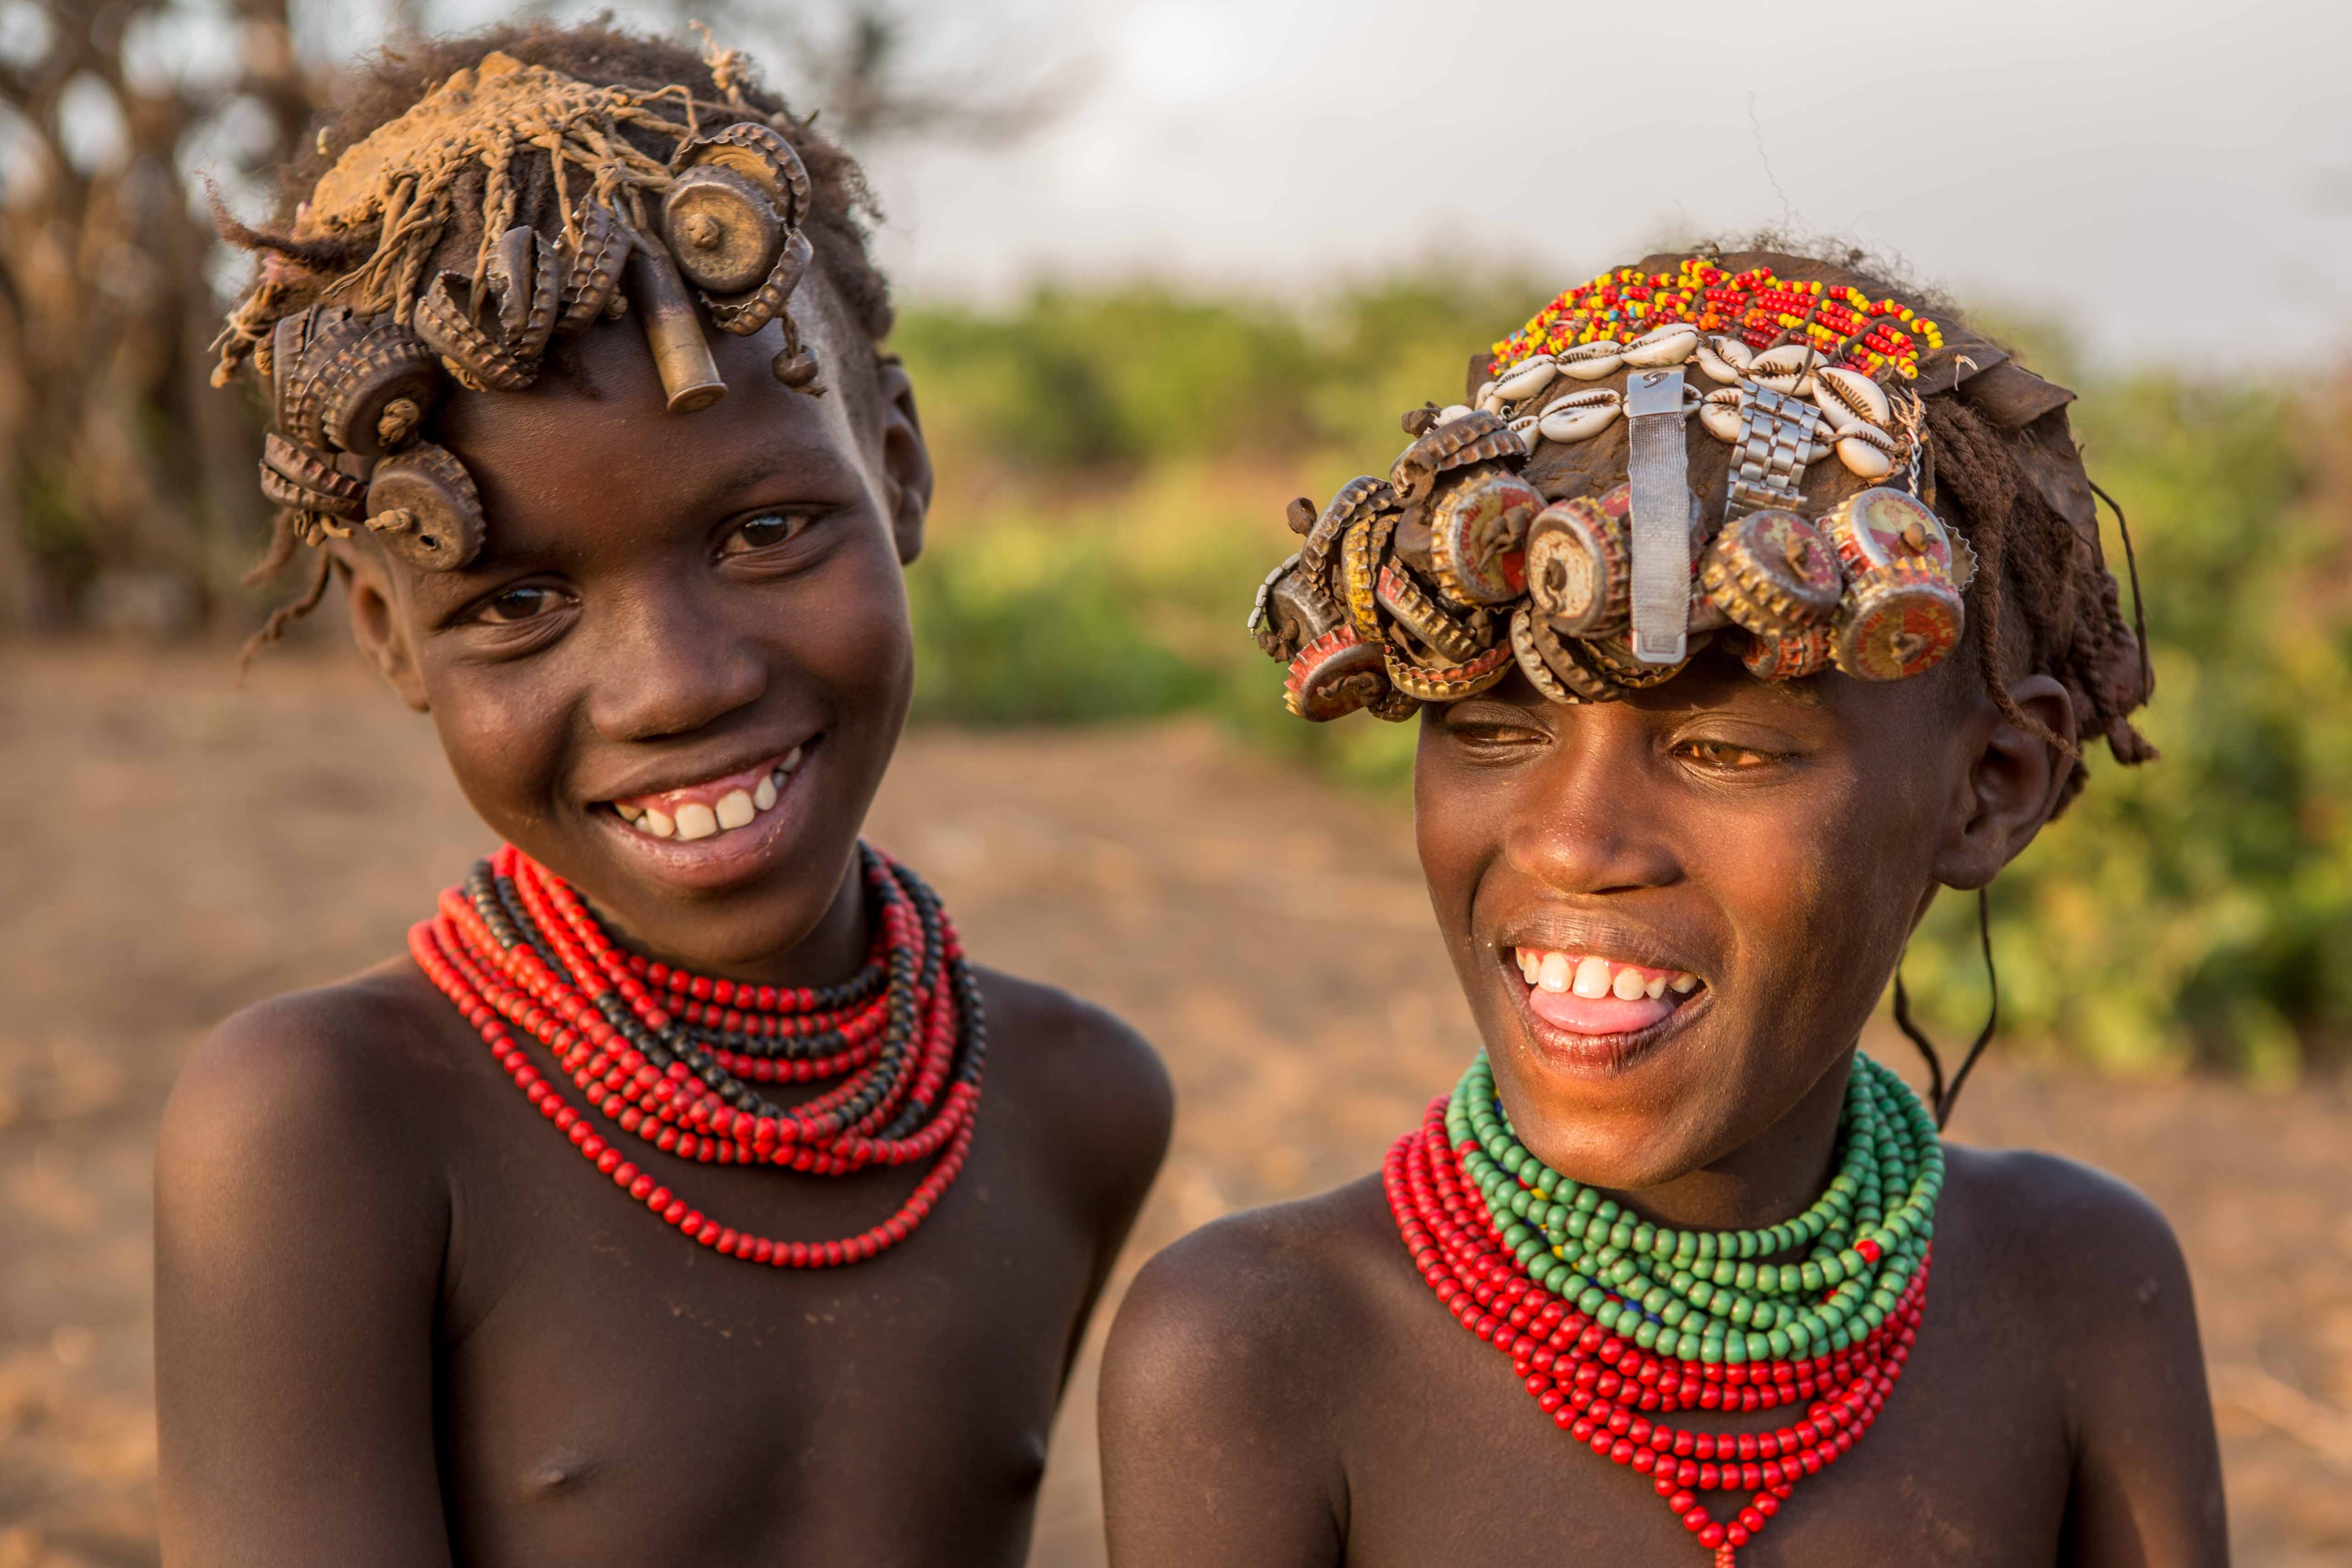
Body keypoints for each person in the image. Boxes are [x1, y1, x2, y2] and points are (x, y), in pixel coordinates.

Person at [155, 24, 1170, 1567]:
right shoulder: (325, 1136)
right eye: (515, 604)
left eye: (765, 528)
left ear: (898, 470)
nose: (674, 685)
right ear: (388, 633)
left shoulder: (1074, 1105)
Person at [1100, 250, 2224, 1567]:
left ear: (1991, 789)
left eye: (1725, 751)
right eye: (1491, 725)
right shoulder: (1255, 1350)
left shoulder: (2082, 1292)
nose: (1574, 843)